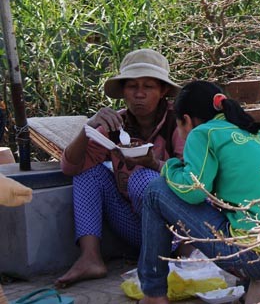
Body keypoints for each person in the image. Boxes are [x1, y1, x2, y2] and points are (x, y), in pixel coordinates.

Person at [138, 81, 260, 304]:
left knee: (156, 190)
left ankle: (153, 294)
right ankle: (246, 286)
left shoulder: (204, 133)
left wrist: (169, 167)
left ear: (186, 120)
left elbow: (193, 190)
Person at [56, 49, 182, 288]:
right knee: (88, 173)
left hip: (177, 233)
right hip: (136, 229)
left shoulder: (178, 122)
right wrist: (88, 129)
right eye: (132, 87)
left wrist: (154, 164)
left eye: (148, 87)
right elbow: (70, 167)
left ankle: (156, 263)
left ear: (163, 91)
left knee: (144, 178)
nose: (139, 95)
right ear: (123, 91)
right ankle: (90, 258)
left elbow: (194, 179)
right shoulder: (116, 125)